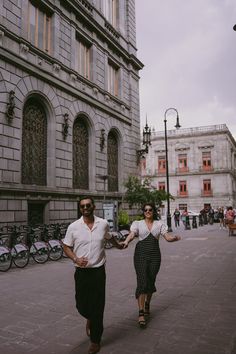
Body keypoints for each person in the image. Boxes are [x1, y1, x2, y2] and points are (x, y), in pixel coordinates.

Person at [63, 197, 123, 354]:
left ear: (93, 206)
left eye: (88, 205)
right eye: (82, 206)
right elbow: (66, 247)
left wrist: (118, 246)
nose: (85, 208)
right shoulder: (73, 227)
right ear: (80, 208)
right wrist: (76, 258)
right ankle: (89, 316)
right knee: (81, 305)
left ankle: (95, 340)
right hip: (81, 272)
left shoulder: (102, 224)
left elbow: (109, 238)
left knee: (98, 305)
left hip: (98, 270)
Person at [121, 202, 181, 328]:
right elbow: (132, 234)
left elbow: (167, 237)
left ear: (154, 211)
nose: (148, 211)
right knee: (142, 281)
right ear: (143, 212)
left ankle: (148, 302)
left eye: (150, 210)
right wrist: (126, 241)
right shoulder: (138, 223)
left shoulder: (159, 224)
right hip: (140, 254)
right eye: (146, 210)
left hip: (155, 255)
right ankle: (141, 313)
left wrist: (174, 238)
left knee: (150, 280)